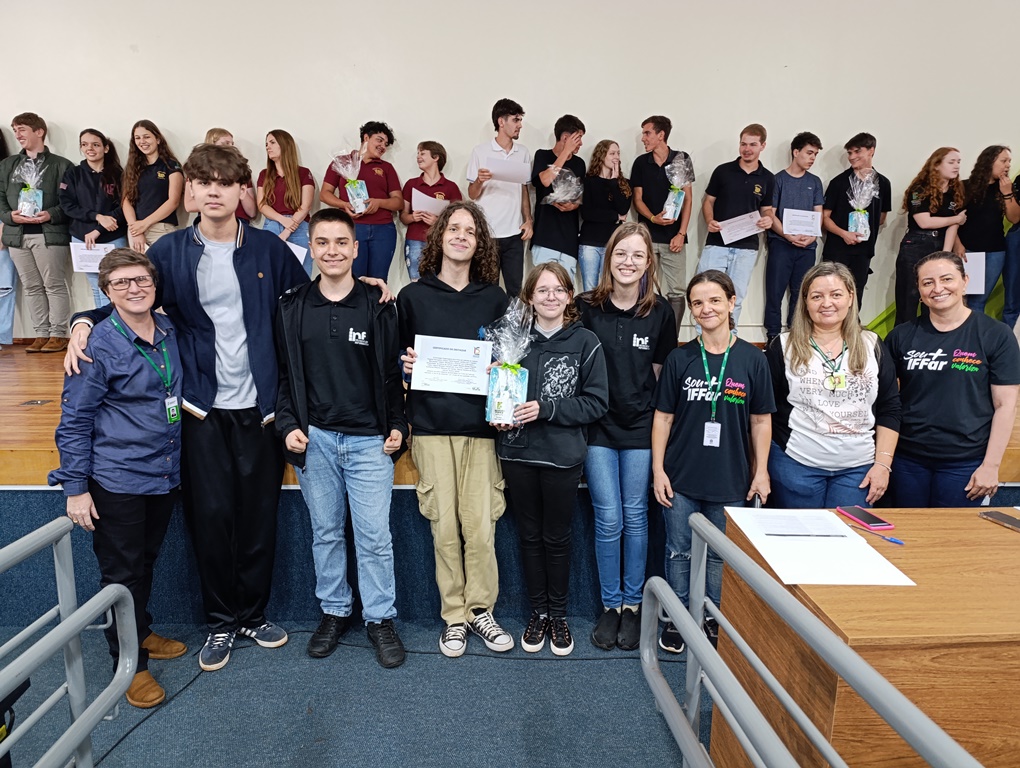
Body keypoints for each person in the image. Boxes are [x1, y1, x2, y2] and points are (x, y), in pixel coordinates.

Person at [66, 143, 310, 672]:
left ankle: (253, 614)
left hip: (261, 408)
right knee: (211, 518)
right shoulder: (171, 251)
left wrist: (367, 291)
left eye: (226, 183)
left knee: (259, 518)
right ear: (191, 191)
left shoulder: (270, 251)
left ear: (242, 190)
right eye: (204, 183)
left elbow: (309, 309)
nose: (214, 192)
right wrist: (82, 320)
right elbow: (128, 297)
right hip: (199, 409)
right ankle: (221, 621)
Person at [49, 248, 187, 709]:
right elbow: (74, 422)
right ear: (106, 291)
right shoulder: (96, 345)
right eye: (122, 282)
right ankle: (129, 665)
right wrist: (75, 488)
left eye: (142, 280)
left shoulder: (168, 330)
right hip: (117, 479)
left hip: (162, 472)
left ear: (154, 285)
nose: (134, 288)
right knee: (121, 575)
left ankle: (140, 632)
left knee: (143, 563)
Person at [275, 208, 409, 668]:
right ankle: (334, 610)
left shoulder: (379, 304)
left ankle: (380, 618)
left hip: (370, 441)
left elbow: (391, 375)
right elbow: (284, 376)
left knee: (374, 536)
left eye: (340, 242)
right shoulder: (291, 305)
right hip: (315, 440)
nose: (331, 251)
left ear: (355, 249)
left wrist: (398, 425)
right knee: (326, 533)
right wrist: (288, 425)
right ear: (311, 248)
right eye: (322, 242)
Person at [397, 200, 514, 658]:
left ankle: (481, 610)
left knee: (480, 530)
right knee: (444, 529)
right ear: (439, 236)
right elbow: (396, 361)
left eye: (470, 231)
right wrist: (406, 367)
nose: (461, 236)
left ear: (480, 242)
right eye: (454, 228)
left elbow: (508, 363)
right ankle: (454, 617)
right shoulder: (412, 297)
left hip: (481, 431)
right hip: (430, 428)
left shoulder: (495, 300)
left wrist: (502, 378)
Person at [651, 270, 773, 653]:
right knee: (679, 551)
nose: (707, 309)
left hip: (731, 479)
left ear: (732, 302)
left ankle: (712, 617)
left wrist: (761, 471)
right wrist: (658, 470)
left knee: (720, 556)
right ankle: (677, 618)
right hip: (680, 477)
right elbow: (663, 418)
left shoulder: (753, 359)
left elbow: (761, 421)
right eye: (698, 303)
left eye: (715, 300)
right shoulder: (680, 358)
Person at [497, 262, 608, 656]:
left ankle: (559, 615)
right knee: (528, 536)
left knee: (557, 538)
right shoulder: (512, 340)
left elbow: (596, 402)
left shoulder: (586, 342)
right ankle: (538, 612)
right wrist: (497, 404)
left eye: (559, 289)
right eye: (542, 290)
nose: (550, 297)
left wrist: (547, 409)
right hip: (518, 454)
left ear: (569, 296)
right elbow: (498, 392)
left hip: (562, 457)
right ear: (529, 296)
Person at [577, 222, 676, 651]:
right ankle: (610, 604)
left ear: (648, 262)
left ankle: (633, 605)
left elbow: (659, 373)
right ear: (608, 258)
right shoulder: (586, 307)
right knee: (608, 518)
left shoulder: (661, 312)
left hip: (639, 428)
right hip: (597, 427)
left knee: (635, 516)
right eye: (620, 253)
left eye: (637, 255)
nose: (628, 262)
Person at [885, 252, 1020, 508]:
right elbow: (886, 401)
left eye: (947, 279)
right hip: (907, 460)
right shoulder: (900, 336)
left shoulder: (996, 335)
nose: (938, 289)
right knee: (908, 531)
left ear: (965, 281)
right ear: (919, 290)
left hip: (964, 462)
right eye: (928, 282)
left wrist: (991, 465)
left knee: (952, 533)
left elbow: (1005, 405)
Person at [766, 262, 900, 508]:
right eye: (817, 296)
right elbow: (765, 412)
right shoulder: (783, 346)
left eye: (836, 295)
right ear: (805, 301)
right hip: (796, 464)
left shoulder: (872, 344)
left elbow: (889, 408)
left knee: (848, 533)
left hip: (859, 470)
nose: (826, 303)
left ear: (851, 297)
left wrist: (883, 464)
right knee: (800, 533)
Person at [0, 112, 73, 353]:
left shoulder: (62, 165)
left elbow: (71, 201)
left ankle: (58, 334)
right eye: (15, 130)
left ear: (39, 131)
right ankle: (41, 334)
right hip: (17, 235)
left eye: (22, 129)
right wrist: (9, 216)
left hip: (49, 235)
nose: (17, 134)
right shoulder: (7, 165)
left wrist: (51, 214)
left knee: (54, 284)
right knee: (31, 286)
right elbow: (0, 199)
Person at [697, 124, 775, 325]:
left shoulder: (768, 178)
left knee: (735, 298)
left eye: (753, 144)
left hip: (746, 248)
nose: (747, 149)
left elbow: (767, 209)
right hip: (717, 244)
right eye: (743, 144)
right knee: (705, 293)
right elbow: (708, 201)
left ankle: (730, 338)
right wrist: (709, 221)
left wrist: (768, 219)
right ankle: (702, 339)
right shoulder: (723, 171)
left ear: (763, 146)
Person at [630, 116, 693, 328]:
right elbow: (637, 199)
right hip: (646, 238)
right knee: (642, 287)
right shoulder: (641, 163)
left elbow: (688, 199)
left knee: (677, 291)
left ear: (661, 135)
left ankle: (671, 337)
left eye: (647, 133)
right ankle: (644, 332)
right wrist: (652, 218)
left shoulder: (681, 159)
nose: (643, 138)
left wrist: (681, 233)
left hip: (674, 239)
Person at [467, 98, 533, 297]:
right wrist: (479, 180)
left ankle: (514, 320)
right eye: (516, 120)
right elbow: (472, 194)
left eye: (520, 120)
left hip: (514, 233)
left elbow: (523, 189)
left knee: (515, 290)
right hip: (487, 233)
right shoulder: (480, 151)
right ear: (501, 121)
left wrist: (528, 220)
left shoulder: (523, 152)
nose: (520, 125)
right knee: (487, 290)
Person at [894, 148, 967, 326]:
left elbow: (953, 226)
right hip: (917, 243)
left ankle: (931, 337)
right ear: (936, 165)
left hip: (941, 243)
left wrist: (945, 254)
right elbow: (924, 221)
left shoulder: (956, 191)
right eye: (951, 162)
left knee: (936, 296)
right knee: (909, 297)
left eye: (958, 162)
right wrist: (956, 219)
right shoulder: (920, 189)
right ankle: (902, 339)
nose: (956, 166)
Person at [321, 121, 402, 280]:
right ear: (366, 138)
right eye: (379, 140)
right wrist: (344, 205)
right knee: (353, 279)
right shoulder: (342, 162)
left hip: (383, 229)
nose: (383, 146)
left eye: (386, 144)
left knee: (379, 280)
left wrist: (379, 203)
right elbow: (324, 194)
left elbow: (398, 202)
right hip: (351, 227)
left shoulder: (386, 167)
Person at [765, 132, 824, 344]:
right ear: (796, 152)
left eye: (815, 154)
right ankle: (773, 336)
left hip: (807, 247)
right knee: (775, 291)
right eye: (809, 153)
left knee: (801, 293)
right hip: (781, 244)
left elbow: (818, 213)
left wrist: (812, 236)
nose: (812, 158)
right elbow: (770, 213)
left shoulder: (815, 182)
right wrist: (788, 235)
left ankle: (796, 334)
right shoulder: (777, 180)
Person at [821, 133, 892, 306]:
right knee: (832, 292)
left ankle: (853, 323)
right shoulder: (839, 182)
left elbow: (881, 218)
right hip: (837, 250)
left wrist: (863, 228)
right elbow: (824, 217)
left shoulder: (883, 183)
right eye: (849, 153)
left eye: (857, 151)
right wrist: (844, 233)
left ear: (871, 151)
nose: (852, 157)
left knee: (856, 294)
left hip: (864, 251)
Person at [59, 128, 127, 308]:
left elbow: (125, 206)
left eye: (95, 144)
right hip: (83, 237)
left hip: (112, 236)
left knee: (115, 284)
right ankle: (103, 322)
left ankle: (115, 323)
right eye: (84, 144)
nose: (90, 148)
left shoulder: (118, 174)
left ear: (105, 148)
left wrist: (100, 227)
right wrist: (97, 217)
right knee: (97, 287)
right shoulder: (73, 174)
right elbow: (67, 205)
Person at [955, 146, 1020, 316]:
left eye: (1009, 162)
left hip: (995, 252)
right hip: (969, 250)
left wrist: (1007, 193)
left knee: (979, 301)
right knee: (963, 299)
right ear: (989, 161)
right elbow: (952, 218)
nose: (1007, 165)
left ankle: (975, 332)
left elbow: (1014, 218)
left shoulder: (1005, 187)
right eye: (1003, 161)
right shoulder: (965, 186)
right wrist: (957, 244)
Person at [530, 115, 586, 277]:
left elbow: (580, 197)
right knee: (543, 285)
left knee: (566, 288)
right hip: (545, 237)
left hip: (569, 239)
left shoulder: (580, 163)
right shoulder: (542, 155)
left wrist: (573, 205)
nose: (581, 143)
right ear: (565, 138)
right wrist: (566, 151)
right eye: (578, 138)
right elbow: (545, 180)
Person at [399, 140, 462, 281]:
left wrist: (438, 222)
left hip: (441, 241)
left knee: (442, 282)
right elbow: (403, 216)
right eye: (417, 154)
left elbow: (459, 219)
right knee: (416, 283)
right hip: (415, 240)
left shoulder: (450, 187)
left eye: (422, 153)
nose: (418, 157)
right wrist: (412, 217)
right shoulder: (411, 184)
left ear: (436, 157)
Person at [258, 129, 316, 275]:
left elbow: (306, 206)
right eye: (266, 144)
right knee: (271, 275)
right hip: (272, 225)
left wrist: (287, 230)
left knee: (300, 275)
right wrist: (282, 220)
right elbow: (262, 205)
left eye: (272, 142)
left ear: (284, 144)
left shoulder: (303, 173)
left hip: (299, 226)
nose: (268, 147)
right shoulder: (264, 174)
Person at [121, 120, 183, 252]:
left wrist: (145, 224)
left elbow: (173, 201)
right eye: (137, 138)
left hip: (161, 228)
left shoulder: (171, 166)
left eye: (146, 137)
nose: (142, 141)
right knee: (139, 266)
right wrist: (135, 230)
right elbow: (126, 200)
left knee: (163, 265)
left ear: (158, 139)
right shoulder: (132, 168)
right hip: (136, 231)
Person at [579, 140, 631, 292]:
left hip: (613, 244)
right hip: (590, 243)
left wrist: (614, 182)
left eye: (618, 153)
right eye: (612, 153)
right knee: (590, 289)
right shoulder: (588, 182)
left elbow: (624, 209)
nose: (616, 157)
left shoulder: (624, 184)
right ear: (601, 156)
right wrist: (616, 216)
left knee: (608, 289)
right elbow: (587, 213)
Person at [183, 128, 257, 221]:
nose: (231, 147)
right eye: (226, 143)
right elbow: (189, 206)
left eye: (232, 144)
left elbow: (251, 212)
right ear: (212, 144)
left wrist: (238, 183)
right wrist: (217, 204)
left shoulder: (240, 171)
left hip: (238, 220)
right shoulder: (197, 171)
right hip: (208, 219)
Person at [0, 130, 17, 349]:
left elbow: (11, 202)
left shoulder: (7, 167)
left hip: (3, 227)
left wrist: (4, 229)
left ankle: (1, 335)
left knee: (3, 287)